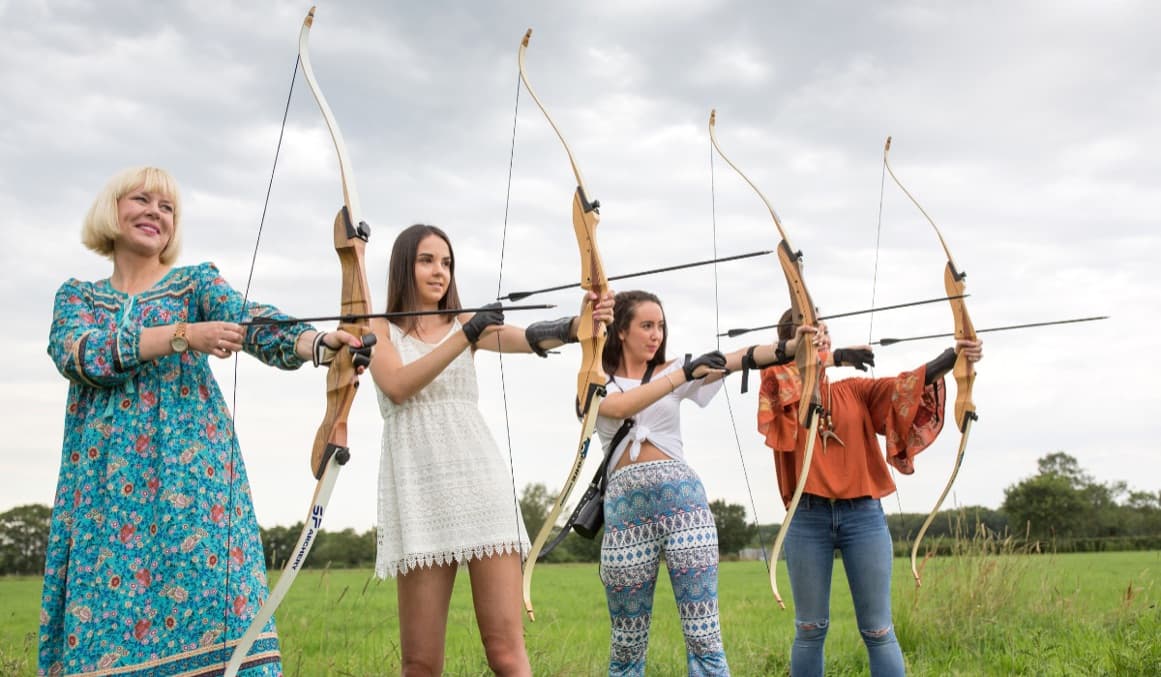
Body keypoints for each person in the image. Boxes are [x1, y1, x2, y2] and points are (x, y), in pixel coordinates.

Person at [40, 166, 370, 676]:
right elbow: (82, 355)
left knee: (220, 620)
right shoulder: (78, 298)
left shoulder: (195, 284)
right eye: (142, 200)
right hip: (104, 499)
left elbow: (251, 319)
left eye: (167, 207)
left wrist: (319, 345)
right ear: (112, 210)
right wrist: (182, 335)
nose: (155, 212)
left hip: (192, 490)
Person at [368, 223, 613, 676]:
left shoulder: (465, 324)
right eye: (427, 260)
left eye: (446, 262)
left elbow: (528, 337)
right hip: (418, 494)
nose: (440, 271)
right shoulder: (378, 329)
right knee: (420, 663)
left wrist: (581, 324)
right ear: (404, 265)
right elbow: (398, 386)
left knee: (505, 651)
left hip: (481, 486)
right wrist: (467, 333)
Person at [592, 289, 813, 676]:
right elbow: (618, 407)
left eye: (660, 326)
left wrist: (793, 346)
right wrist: (683, 373)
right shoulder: (596, 378)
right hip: (626, 516)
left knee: (703, 635)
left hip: (684, 508)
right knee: (626, 643)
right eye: (646, 325)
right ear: (621, 331)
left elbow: (740, 357)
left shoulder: (676, 368)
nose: (656, 334)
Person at [757, 309, 984, 677]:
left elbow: (907, 386)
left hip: (862, 516)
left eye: (826, 332)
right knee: (809, 629)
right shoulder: (779, 388)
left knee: (879, 631)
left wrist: (954, 355)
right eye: (815, 334)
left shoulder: (855, 392)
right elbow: (783, 377)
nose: (824, 338)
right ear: (793, 341)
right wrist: (834, 355)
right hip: (807, 518)